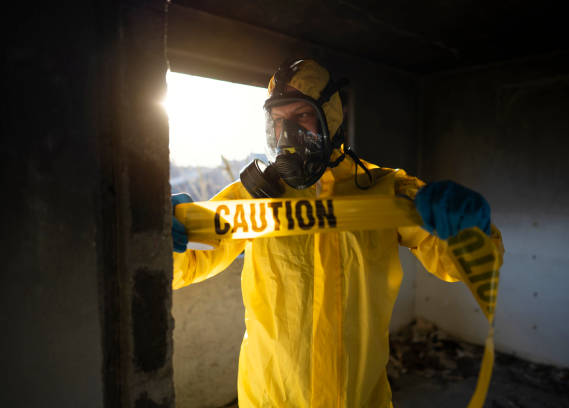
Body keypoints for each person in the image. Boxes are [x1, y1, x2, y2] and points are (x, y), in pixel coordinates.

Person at [171, 59, 504, 408]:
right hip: (271, 397)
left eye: (301, 116)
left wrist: (470, 230)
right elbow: (187, 263)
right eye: (279, 120)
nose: (289, 133)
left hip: (358, 398)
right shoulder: (254, 197)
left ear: (330, 116)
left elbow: (461, 264)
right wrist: (164, 235)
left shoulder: (385, 191)